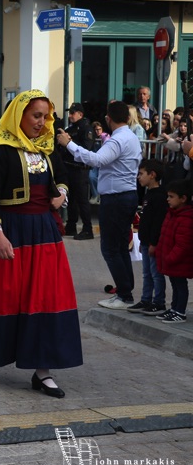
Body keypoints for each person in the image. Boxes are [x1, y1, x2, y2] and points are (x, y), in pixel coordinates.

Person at [0, 89, 82, 398]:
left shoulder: (47, 146)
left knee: (45, 298)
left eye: (45, 117)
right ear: (19, 116)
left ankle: (42, 370)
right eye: (36, 116)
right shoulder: (0, 150)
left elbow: (62, 177)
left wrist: (61, 194)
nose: (41, 122)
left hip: (43, 234)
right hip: (10, 231)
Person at [57, 100, 142, 309]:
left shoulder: (118, 140)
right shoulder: (130, 137)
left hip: (116, 198)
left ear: (108, 119)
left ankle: (124, 295)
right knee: (120, 247)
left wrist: (69, 144)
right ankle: (125, 291)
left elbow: (96, 160)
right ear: (128, 117)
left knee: (111, 249)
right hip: (125, 195)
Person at [126, 159, 167, 315]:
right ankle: (146, 299)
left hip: (153, 243)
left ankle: (159, 302)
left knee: (156, 274)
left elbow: (158, 223)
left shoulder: (160, 196)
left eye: (141, 174)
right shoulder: (148, 194)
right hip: (145, 241)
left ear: (152, 175)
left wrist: (153, 243)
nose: (138, 177)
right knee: (146, 274)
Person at [155, 179, 193, 324]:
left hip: (179, 261)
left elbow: (183, 245)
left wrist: (170, 258)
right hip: (171, 260)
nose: (168, 199)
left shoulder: (186, 218)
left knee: (180, 286)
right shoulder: (172, 214)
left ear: (183, 199)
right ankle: (174, 308)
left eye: (171, 197)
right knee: (175, 285)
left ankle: (180, 312)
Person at [60, 103, 95, 240]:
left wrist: (69, 141)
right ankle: (71, 225)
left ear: (80, 114)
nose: (70, 116)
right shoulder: (70, 128)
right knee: (72, 199)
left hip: (80, 169)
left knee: (82, 200)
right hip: (69, 167)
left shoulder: (86, 128)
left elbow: (87, 147)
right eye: (69, 113)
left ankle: (87, 228)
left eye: (73, 113)